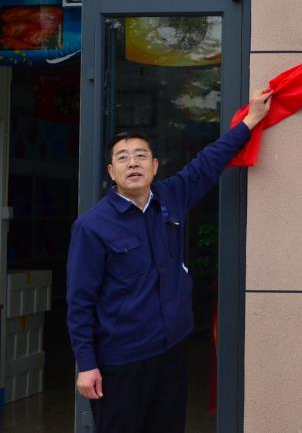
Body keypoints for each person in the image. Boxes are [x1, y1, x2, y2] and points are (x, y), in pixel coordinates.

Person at [66, 89, 273, 433]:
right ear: (111, 171)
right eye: (122, 158)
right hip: (123, 360)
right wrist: (86, 364)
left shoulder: (170, 197)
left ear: (155, 165)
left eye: (141, 155)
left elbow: (208, 163)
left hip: (171, 351)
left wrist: (250, 120)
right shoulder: (92, 227)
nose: (133, 163)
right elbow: (79, 302)